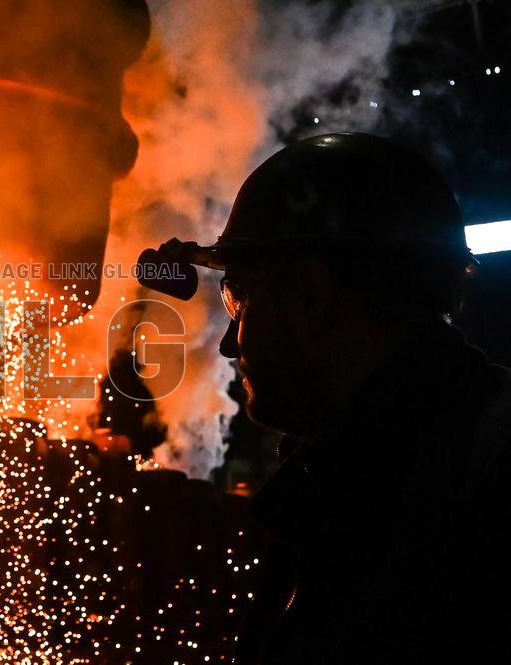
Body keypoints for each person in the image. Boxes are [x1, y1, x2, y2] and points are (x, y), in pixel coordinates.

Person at [138, 133, 511, 664]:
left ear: (310, 294)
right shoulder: (391, 476)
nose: (227, 342)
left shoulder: (468, 493)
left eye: (238, 298)